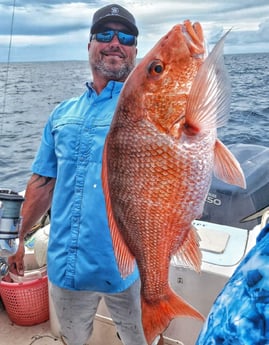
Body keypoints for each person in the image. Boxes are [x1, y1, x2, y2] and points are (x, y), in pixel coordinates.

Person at [8, 4, 161, 345]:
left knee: (139, 340)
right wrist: (19, 239)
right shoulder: (62, 113)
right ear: (90, 44)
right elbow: (41, 183)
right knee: (73, 339)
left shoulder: (149, 110)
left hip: (128, 266)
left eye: (126, 37)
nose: (115, 43)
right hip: (67, 266)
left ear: (135, 50)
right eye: (104, 34)